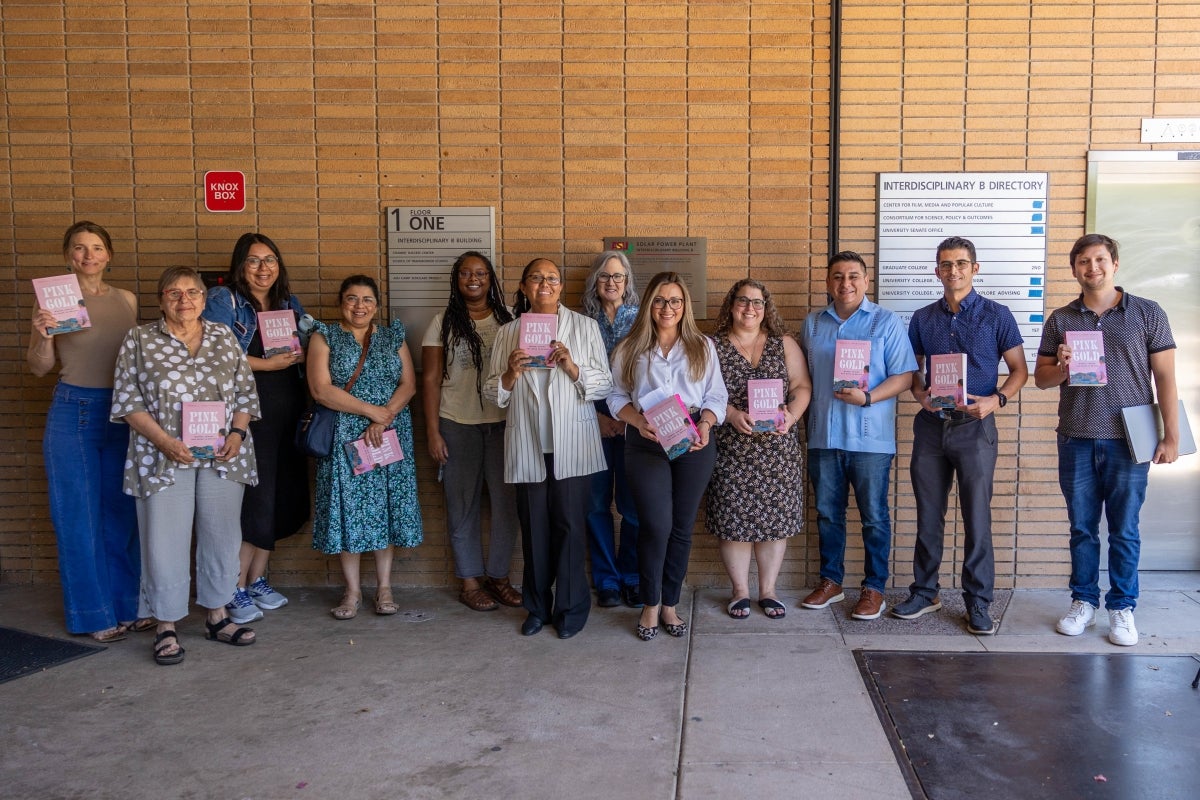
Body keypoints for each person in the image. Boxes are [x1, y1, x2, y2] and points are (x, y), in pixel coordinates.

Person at [111, 266, 261, 665]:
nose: (184, 300)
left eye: (192, 292)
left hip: (223, 457)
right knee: (164, 541)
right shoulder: (140, 340)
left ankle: (217, 615)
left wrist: (237, 434)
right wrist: (165, 441)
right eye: (174, 293)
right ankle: (166, 625)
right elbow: (128, 402)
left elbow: (246, 391)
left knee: (222, 537)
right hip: (161, 456)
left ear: (203, 298)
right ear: (161, 299)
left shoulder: (223, 336)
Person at [1035, 233, 1178, 647]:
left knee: (1124, 529)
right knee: (1081, 528)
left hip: (1130, 439)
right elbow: (1042, 379)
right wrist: (1061, 367)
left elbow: (1165, 378)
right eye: (1083, 261)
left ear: (1114, 264)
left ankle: (1122, 608)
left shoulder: (1148, 313)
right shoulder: (1061, 319)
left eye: (1099, 259)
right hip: (1076, 436)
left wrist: (1171, 436)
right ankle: (1083, 602)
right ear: (1075, 268)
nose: (1091, 267)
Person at [893, 237, 1028, 635]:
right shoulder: (922, 318)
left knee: (977, 516)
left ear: (975, 268)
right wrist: (920, 395)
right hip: (933, 427)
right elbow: (910, 369)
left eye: (962, 263)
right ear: (937, 271)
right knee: (928, 514)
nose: (954, 270)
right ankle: (925, 592)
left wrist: (996, 400)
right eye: (946, 264)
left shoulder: (997, 315)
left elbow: (1020, 370)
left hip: (975, 427)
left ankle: (978, 602)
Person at [27, 221, 145, 643]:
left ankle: (129, 607)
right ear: (67, 256)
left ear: (108, 254)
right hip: (72, 410)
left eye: (96, 247)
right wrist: (42, 335)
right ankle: (94, 615)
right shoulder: (53, 303)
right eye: (79, 248)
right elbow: (40, 367)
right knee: (77, 516)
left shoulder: (127, 300)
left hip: (123, 413)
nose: (88, 255)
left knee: (121, 513)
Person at [483, 258, 612, 639]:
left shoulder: (584, 328)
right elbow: (492, 393)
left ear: (560, 287)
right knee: (535, 527)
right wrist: (509, 374)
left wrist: (573, 368)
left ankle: (571, 610)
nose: (544, 283)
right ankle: (537, 607)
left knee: (571, 526)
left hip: (573, 442)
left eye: (552, 278)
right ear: (523, 287)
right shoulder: (508, 333)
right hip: (529, 443)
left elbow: (603, 385)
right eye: (536, 278)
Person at [609, 272, 727, 641]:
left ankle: (671, 603)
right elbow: (615, 397)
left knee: (680, 526)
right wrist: (637, 422)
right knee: (655, 525)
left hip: (692, 440)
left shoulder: (702, 346)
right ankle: (650, 603)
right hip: (647, 439)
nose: (667, 307)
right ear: (649, 304)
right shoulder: (630, 348)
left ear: (684, 306)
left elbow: (716, 396)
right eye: (660, 300)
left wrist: (706, 425)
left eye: (675, 301)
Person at [799, 251, 917, 620]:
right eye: (837, 276)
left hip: (870, 440)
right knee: (827, 515)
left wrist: (868, 397)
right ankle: (831, 582)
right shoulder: (813, 324)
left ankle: (874, 588)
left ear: (866, 281)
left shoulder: (887, 321)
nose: (845, 283)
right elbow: (802, 378)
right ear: (828, 282)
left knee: (874, 516)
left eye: (853, 276)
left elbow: (904, 376)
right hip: (823, 437)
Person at [202, 232, 310, 624]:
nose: (263, 268)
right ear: (239, 265)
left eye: (270, 260)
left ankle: (258, 578)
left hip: (288, 405)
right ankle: (233, 587)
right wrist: (269, 365)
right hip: (249, 410)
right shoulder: (223, 300)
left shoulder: (288, 303)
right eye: (253, 260)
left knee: (281, 495)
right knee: (255, 499)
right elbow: (213, 355)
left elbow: (302, 349)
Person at [308, 275, 423, 620]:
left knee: (385, 506)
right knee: (348, 510)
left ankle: (384, 587)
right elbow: (321, 389)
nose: (360, 306)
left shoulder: (392, 336)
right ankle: (352, 591)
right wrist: (370, 411)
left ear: (377, 304)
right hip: (345, 436)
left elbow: (409, 384)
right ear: (340, 302)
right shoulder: (323, 336)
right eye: (352, 298)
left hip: (388, 435)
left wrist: (383, 419)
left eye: (367, 299)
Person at [421, 251, 521, 613]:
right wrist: (433, 432)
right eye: (465, 273)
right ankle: (469, 581)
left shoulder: (509, 320)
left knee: (506, 506)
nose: (473, 278)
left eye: (480, 272)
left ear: (491, 278)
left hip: (504, 425)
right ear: (456, 280)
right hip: (456, 425)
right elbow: (430, 380)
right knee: (461, 507)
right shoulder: (442, 323)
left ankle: (498, 577)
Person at [706, 279, 811, 620]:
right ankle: (740, 591)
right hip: (731, 448)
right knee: (733, 519)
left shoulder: (784, 344)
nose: (750, 308)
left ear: (766, 308)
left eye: (757, 302)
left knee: (775, 521)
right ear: (730, 305)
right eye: (742, 301)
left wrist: (791, 415)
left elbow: (801, 386)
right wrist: (732, 414)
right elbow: (700, 392)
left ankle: (768, 590)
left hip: (777, 450)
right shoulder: (712, 346)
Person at [581, 250, 642, 609]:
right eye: (605, 276)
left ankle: (632, 576)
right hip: (591, 414)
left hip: (634, 415)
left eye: (618, 276)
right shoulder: (578, 321)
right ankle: (606, 580)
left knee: (633, 505)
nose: (612, 283)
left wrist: (629, 417)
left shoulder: (642, 318)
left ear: (628, 282)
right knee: (595, 503)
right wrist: (597, 416)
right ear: (594, 282)